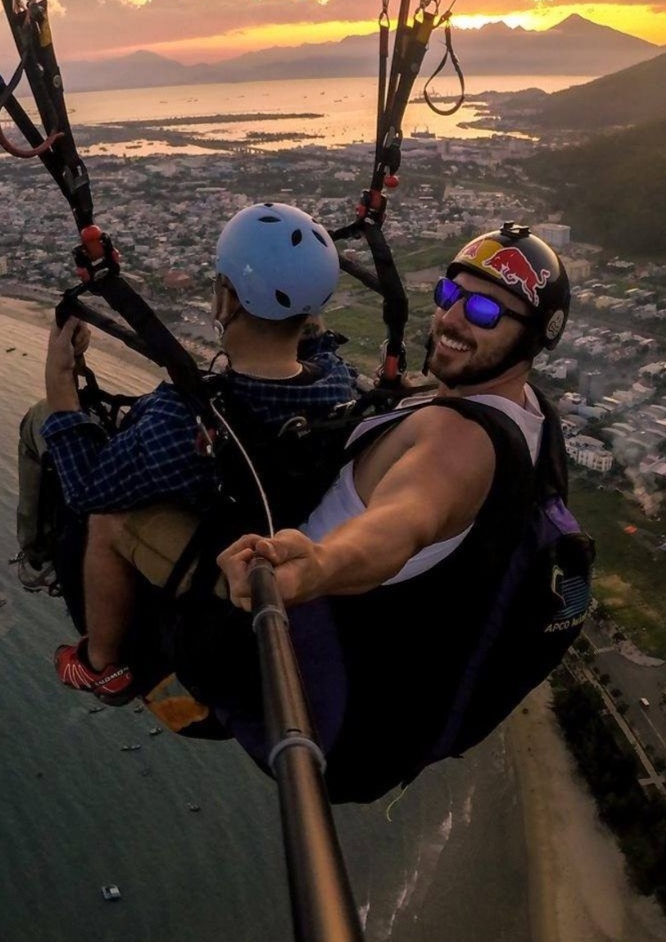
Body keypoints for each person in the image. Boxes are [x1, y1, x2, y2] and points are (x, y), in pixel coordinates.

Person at [211, 222, 579, 799]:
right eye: (449, 294)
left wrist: (318, 566)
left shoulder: (458, 443)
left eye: (485, 312)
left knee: (123, 516)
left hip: (306, 676)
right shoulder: (529, 415)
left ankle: (108, 662)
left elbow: (403, 522)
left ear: (533, 340)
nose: (452, 318)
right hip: (378, 721)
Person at [13, 202, 357, 703]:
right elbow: (315, 345)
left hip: (228, 559)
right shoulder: (336, 381)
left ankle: (101, 663)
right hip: (276, 524)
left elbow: (85, 487)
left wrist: (60, 376)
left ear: (226, 300)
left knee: (89, 493)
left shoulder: (187, 422)